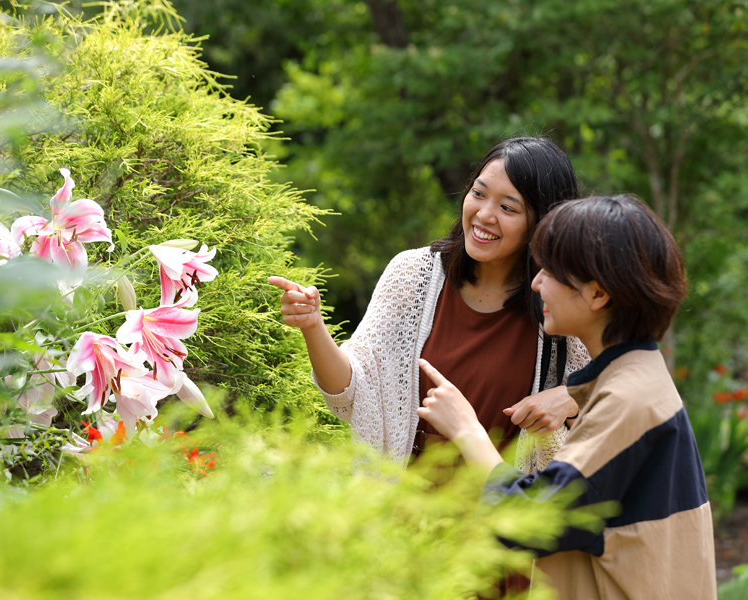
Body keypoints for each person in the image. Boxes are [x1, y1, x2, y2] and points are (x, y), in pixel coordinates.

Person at [417, 194, 715, 599]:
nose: (536, 282)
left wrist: (467, 430)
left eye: (550, 272)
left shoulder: (630, 401)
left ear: (597, 295)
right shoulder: (636, 380)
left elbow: (531, 519)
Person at [269, 136, 590, 470]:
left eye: (507, 208)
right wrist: (313, 326)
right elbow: (350, 395)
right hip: (403, 508)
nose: (484, 214)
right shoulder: (412, 276)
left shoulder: (560, 298)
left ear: (543, 223)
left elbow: (628, 386)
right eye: (478, 194)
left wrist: (571, 396)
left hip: (506, 511)